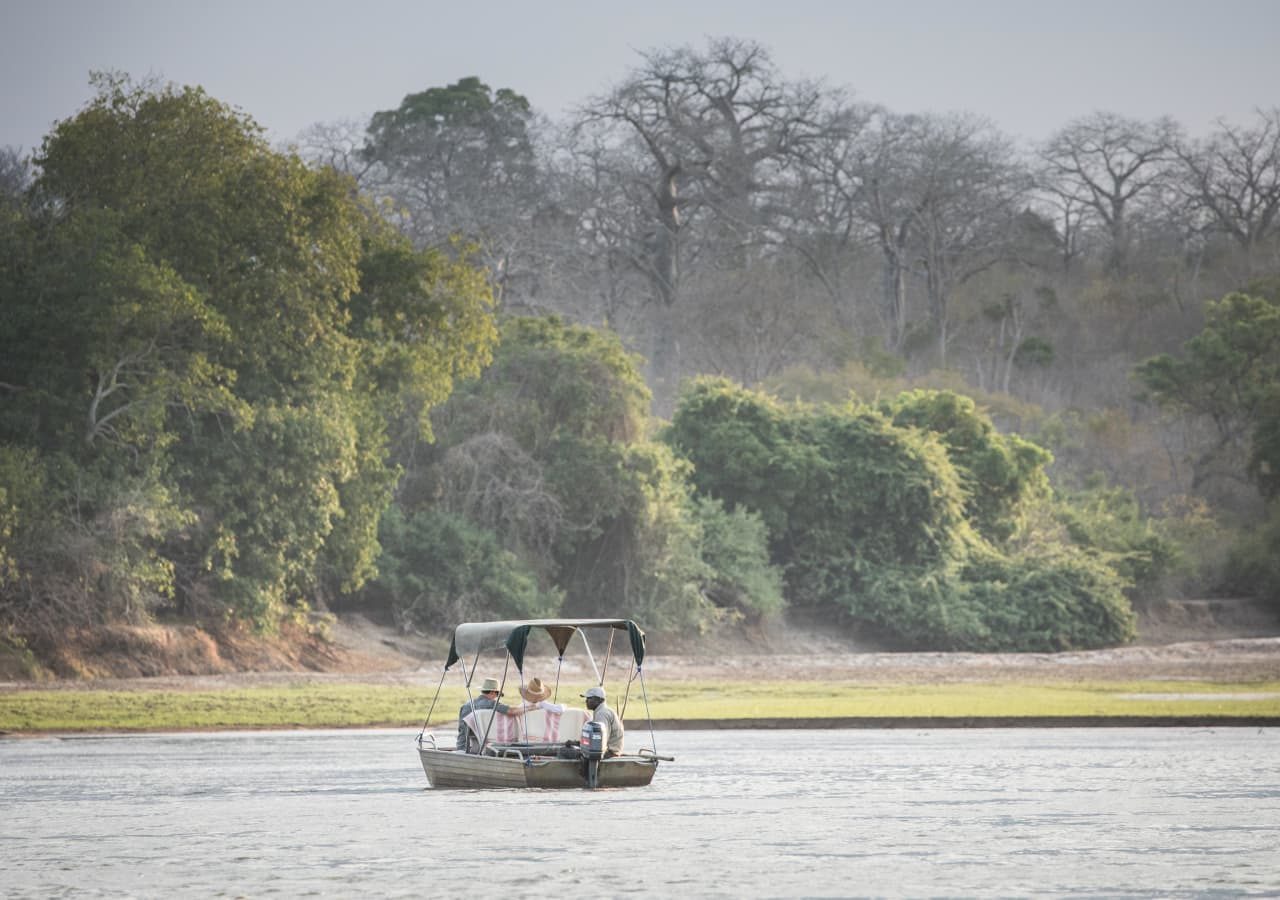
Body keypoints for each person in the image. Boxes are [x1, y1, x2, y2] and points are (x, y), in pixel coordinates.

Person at [456, 677, 528, 752]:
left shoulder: (465, 706)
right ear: (493, 692)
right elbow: (512, 711)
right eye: (497, 694)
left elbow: (461, 730)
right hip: (482, 749)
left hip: (462, 748)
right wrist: (530, 708)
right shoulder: (491, 704)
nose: (496, 697)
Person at [580, 685, 624, 758]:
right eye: (586, 698)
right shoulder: (603, 711)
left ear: (600, 700)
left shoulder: (602, 714)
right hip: (610, 751)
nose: (586, 700)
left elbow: (600, 740)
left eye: (590, 698)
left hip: (610, 753)